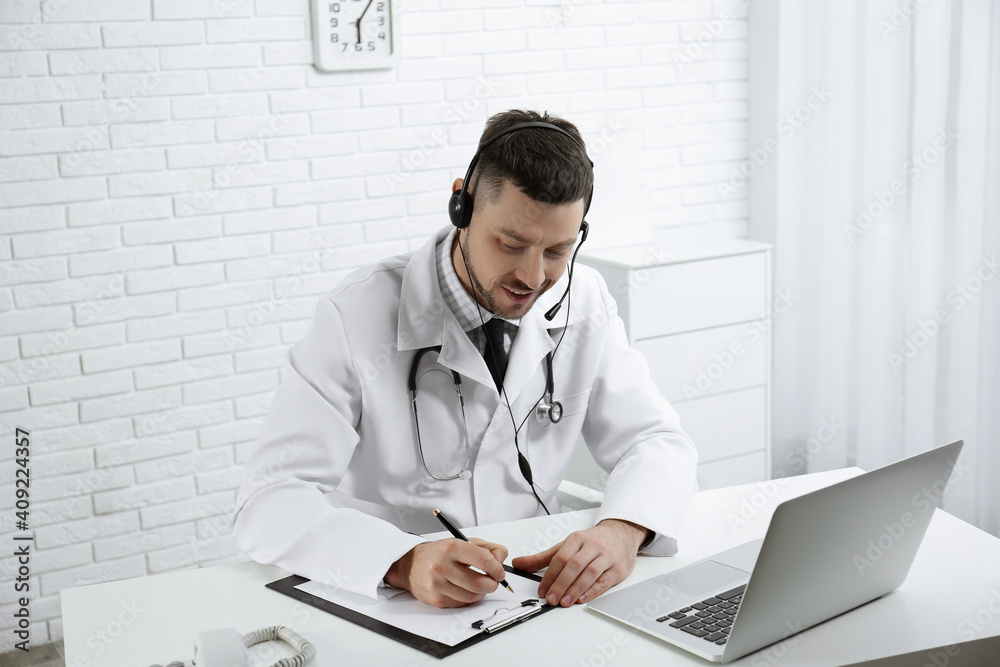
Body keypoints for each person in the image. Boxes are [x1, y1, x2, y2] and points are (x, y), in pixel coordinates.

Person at [231, 109, 698, 610]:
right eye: (511, 243)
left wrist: (624, 529)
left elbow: (656, 440)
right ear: (463, 204)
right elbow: (268, 500)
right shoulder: (356, 314)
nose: (533, 276)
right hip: (400, 607)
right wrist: (400, 560)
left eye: (558, 250)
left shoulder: (583, 301)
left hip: (528, 596)